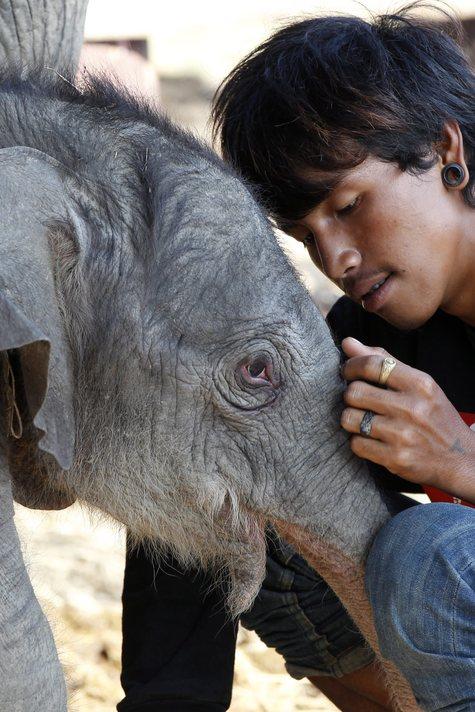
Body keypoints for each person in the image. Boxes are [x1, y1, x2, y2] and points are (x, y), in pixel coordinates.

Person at [118, 6, 475, 711]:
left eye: (346, 206)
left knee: (429, 556)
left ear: (443, 151)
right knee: (216, 442)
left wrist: (461, 459)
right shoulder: (369, 336)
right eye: (305, 235)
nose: (335, 259)